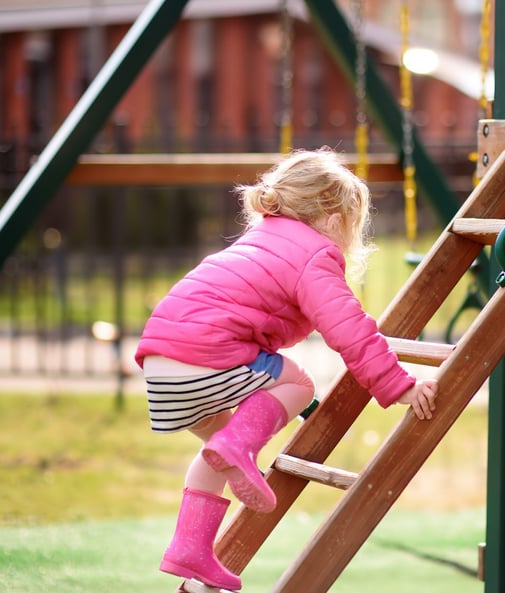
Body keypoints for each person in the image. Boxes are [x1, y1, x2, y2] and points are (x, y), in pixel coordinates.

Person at [134, 147, 439, 591]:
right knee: (297, 380)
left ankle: (192, 553)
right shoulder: (314, 254)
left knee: (214, 455)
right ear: (335, 218)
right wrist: (400, 385)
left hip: (162, 369)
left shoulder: (259, 241)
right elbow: (350, 331)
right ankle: (239, 446)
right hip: (207, 357)